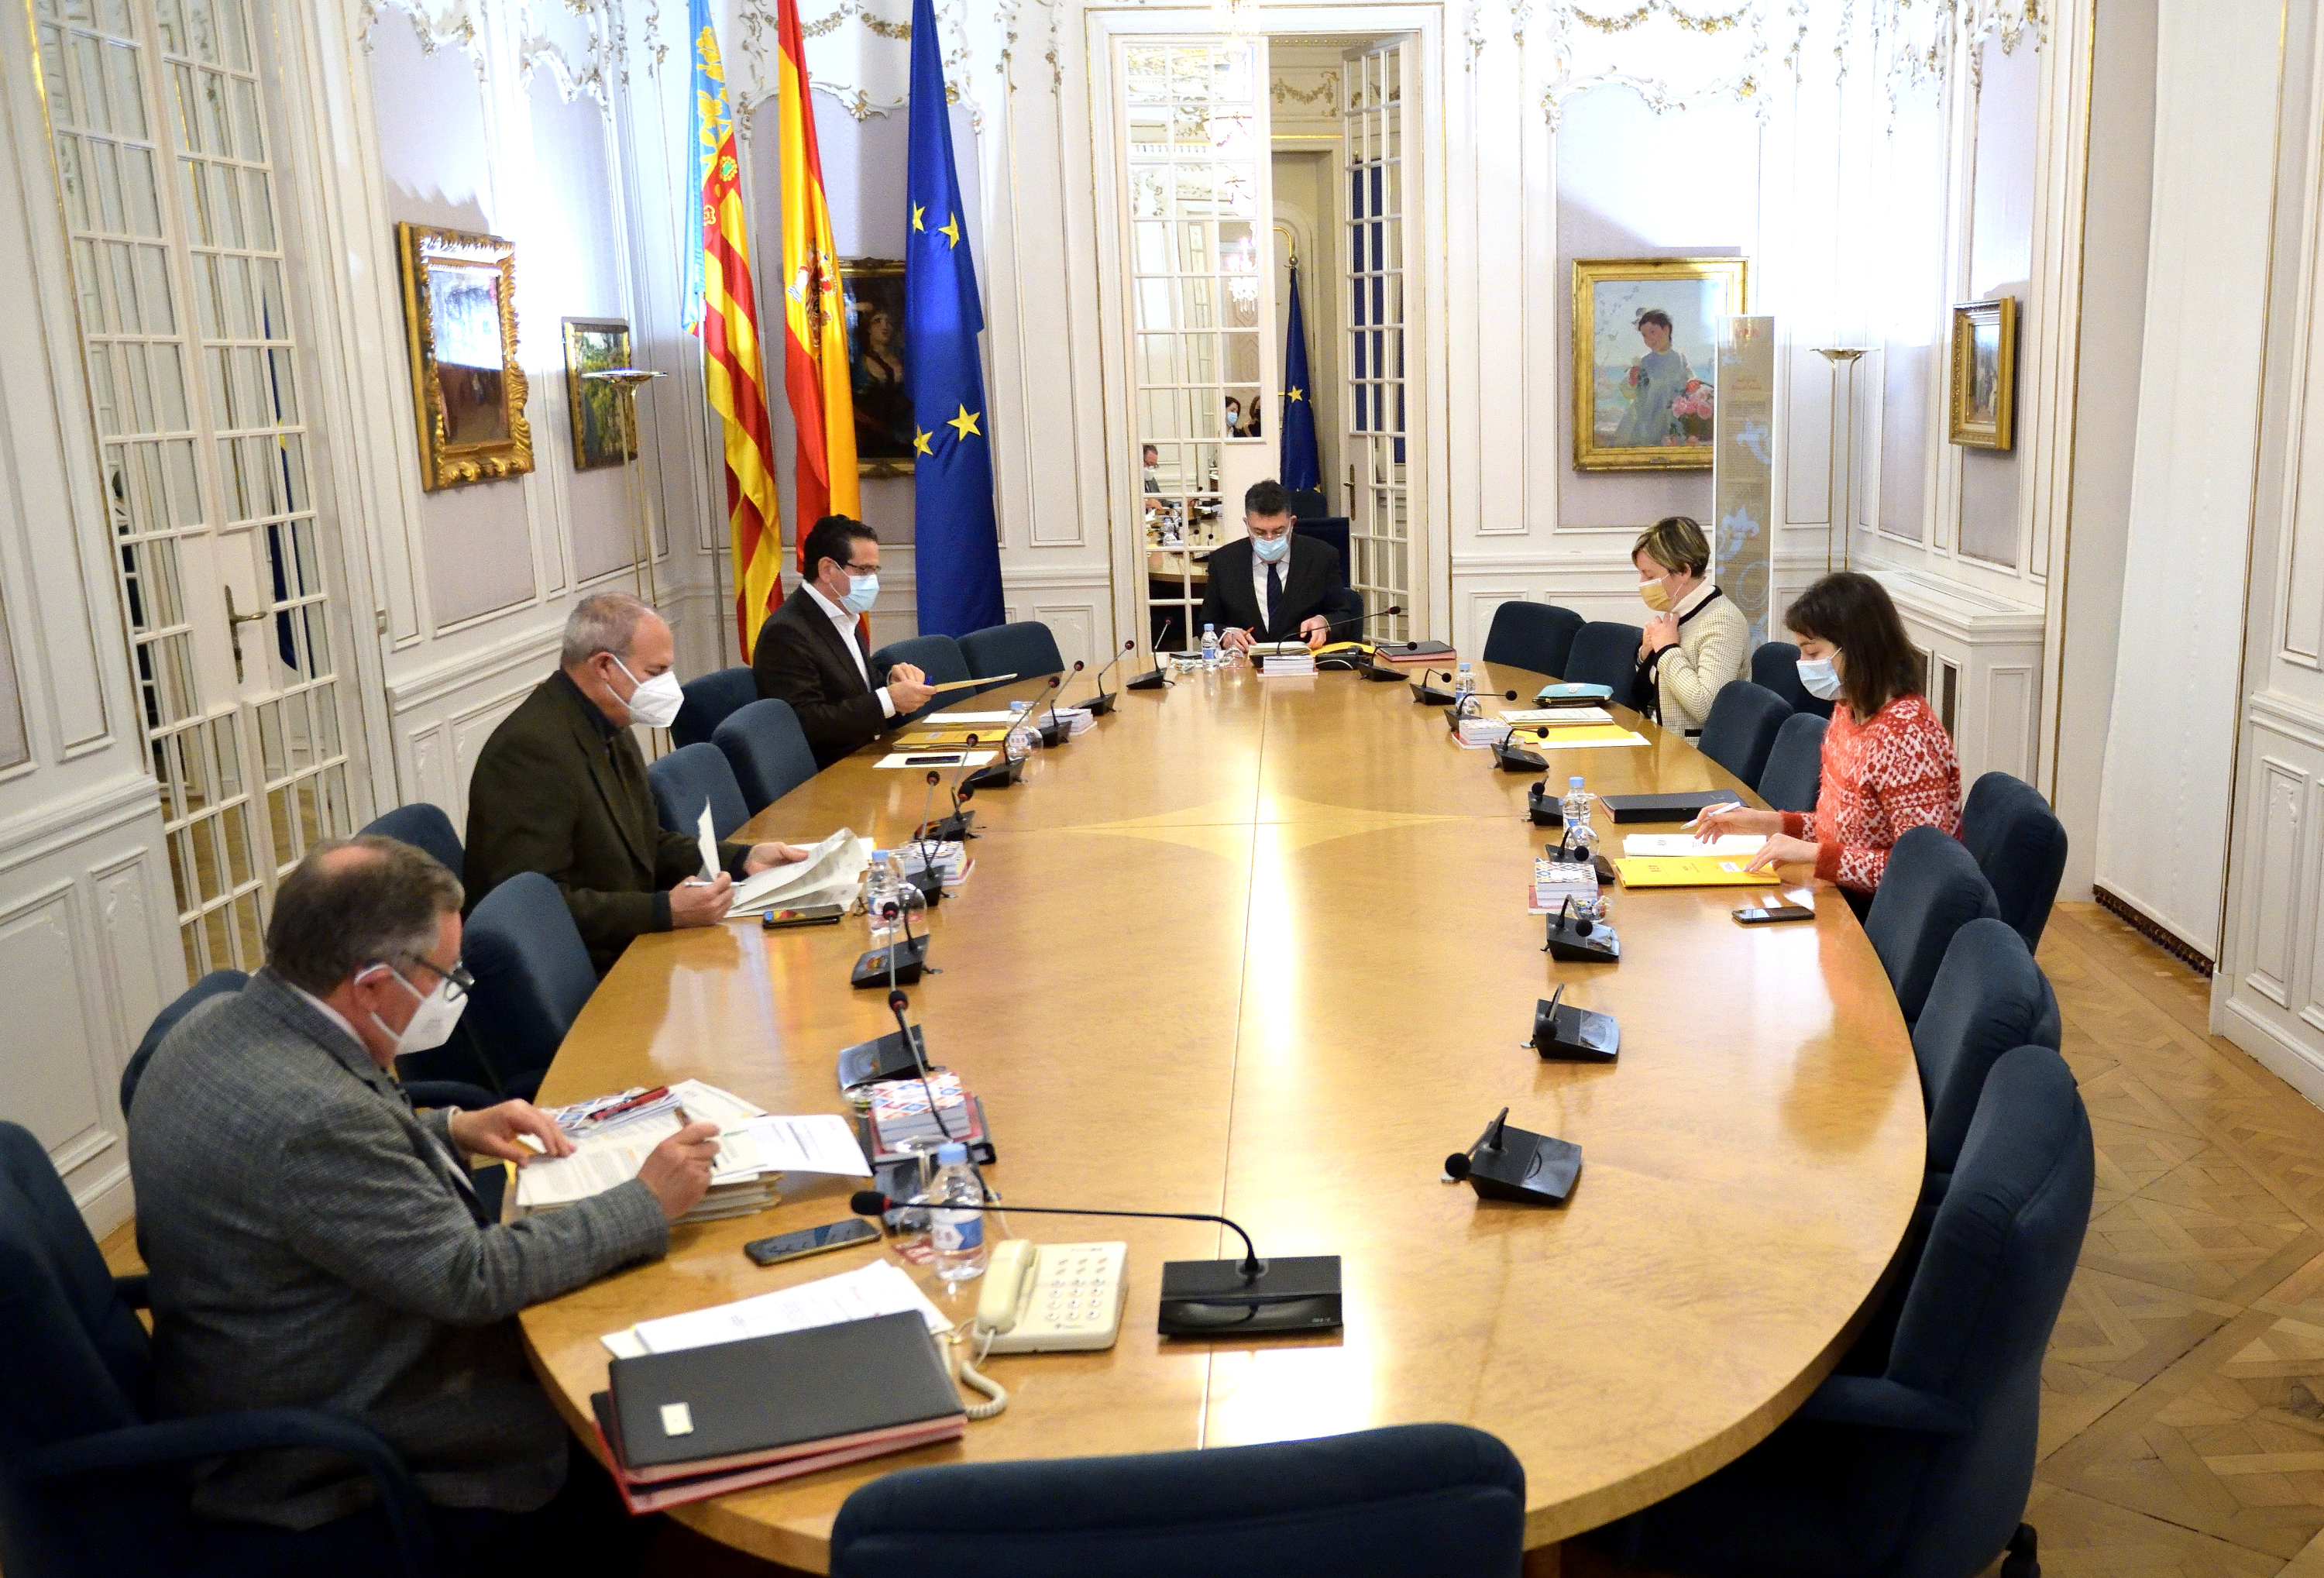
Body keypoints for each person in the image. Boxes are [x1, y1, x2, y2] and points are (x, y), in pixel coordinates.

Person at [128, 837, 724, 1568]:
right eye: (446, 971)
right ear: (373, 984)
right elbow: (471, 1278)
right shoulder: (313, 1122)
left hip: (262, 1356)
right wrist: (645, 1201)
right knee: (646, 1393)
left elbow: (311, 1169)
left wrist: (452, 1127)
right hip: (340, 1443)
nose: (456, 986)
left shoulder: (219, 1022)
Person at [466, 593, 810, 975]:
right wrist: (663, 911)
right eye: (656, 672)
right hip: (582, 972)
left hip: (633, 948)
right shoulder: (529, 751)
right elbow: (534, 908)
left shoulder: (611, 721)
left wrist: (742, 858)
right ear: (605, 667)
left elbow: (646, 841)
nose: (670, 686)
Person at [1697, 572, 1962, 911]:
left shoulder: (1907, 736)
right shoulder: (1848, 711)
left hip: (1884, 918)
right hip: (1839, 896)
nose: (1803, 665)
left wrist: (1816, 855)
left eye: (1813, 652)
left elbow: (1922, 870)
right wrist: (1766, 823)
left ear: (1857, 649)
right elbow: (1841, 833)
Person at [753, 514, 937, 766]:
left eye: (875, 570)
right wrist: (889, 700)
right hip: (830, 773)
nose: (872, 580)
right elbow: (806, 722)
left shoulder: (845, 614)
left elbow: (855, 690)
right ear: (827, 569)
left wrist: (890, 682)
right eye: (864, 570)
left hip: (868, 755)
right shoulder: (786, 632)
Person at [1195, 478, 1361, 652]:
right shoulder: (1224, 562)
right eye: (1259, 532)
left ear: (1292, 523)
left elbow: (1344, 616)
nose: (1269, 539)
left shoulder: (1322, 557)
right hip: (1245, 667)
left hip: (1305, 664)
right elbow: (1207, 624)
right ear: (1247, 525)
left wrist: (1324, 622)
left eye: (1278, 532)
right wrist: (1227, 636)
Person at [1631, 515, 1749, 733]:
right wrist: (1646, 654)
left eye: (1650, 576)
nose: (1642, 584)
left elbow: (1706, 706)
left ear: (1684, 571)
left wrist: (1667, 650)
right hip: (1659, 740)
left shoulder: (1723, 621)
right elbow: (1654, 692)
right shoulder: (1678, 611)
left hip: (1695, 756)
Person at [1612, 308, 1695, 449]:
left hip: (1672, 416)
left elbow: (1689, 379)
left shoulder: (1679, 358)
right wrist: (1632, 381)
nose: (1649, 339)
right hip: (1647, 418)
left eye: (1653, 332)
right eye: (1644, 335)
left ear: (1667, 330)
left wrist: (1691, 384)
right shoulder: (1645, 361)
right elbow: (1631, 392)